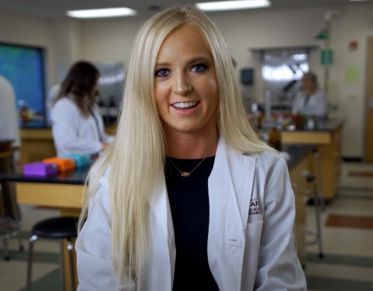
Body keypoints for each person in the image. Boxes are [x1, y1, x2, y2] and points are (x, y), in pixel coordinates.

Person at [76, 7, 307, 291]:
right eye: (162, 72)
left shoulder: (266, 170)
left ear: (220, 75)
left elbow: (280, 282)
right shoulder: (115, 177)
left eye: (198, 67)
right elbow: (99, 282)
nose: (182, 87)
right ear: (143, 85)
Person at [50, 61, 113, 157]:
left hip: (93, 161)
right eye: (94, 83)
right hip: (74, 165)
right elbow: (67, 141)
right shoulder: (64, 106)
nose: (96, 88)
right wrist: (100, 146)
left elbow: (100, 136)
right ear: (85, 83)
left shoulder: (91, 107)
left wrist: (118, 142)